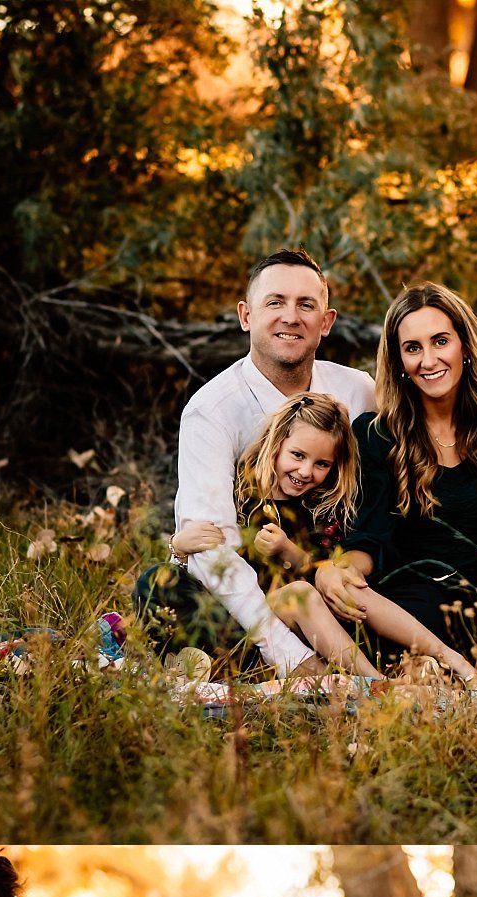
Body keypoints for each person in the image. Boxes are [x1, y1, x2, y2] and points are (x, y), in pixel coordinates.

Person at [140, 250, 378, 679]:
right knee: (162, 585)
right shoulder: (211, 410)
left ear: (326, 322)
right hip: (258, 612)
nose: (291, 316)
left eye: (306, 305)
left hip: (337, 585)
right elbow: (215, 549)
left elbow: (399, 479)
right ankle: (287, 673)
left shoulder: (357, 392)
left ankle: (379, 668)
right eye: (275, 302)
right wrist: (292, 657)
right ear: (246, 316)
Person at [320, 281, 477, 676]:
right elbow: (368, 536)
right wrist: (341, 569)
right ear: (399, 361)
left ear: (464, 346)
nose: (429, 359)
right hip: (413, 593)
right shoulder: (375, 435)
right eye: (413, 348)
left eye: (440, 341)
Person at [169, 391, 448, 682]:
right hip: (256, 618)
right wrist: (178, 547)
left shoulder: (320, 506)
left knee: (318, 594)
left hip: (314, 620)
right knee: (158, 583)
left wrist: (287, 549)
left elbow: (323, 570)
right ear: (277, 443)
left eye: (321, 464)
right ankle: (372, 682)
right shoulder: (242, 493)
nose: (305, 472)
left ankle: (379, 679)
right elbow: (214, 563)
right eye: (298, 455)